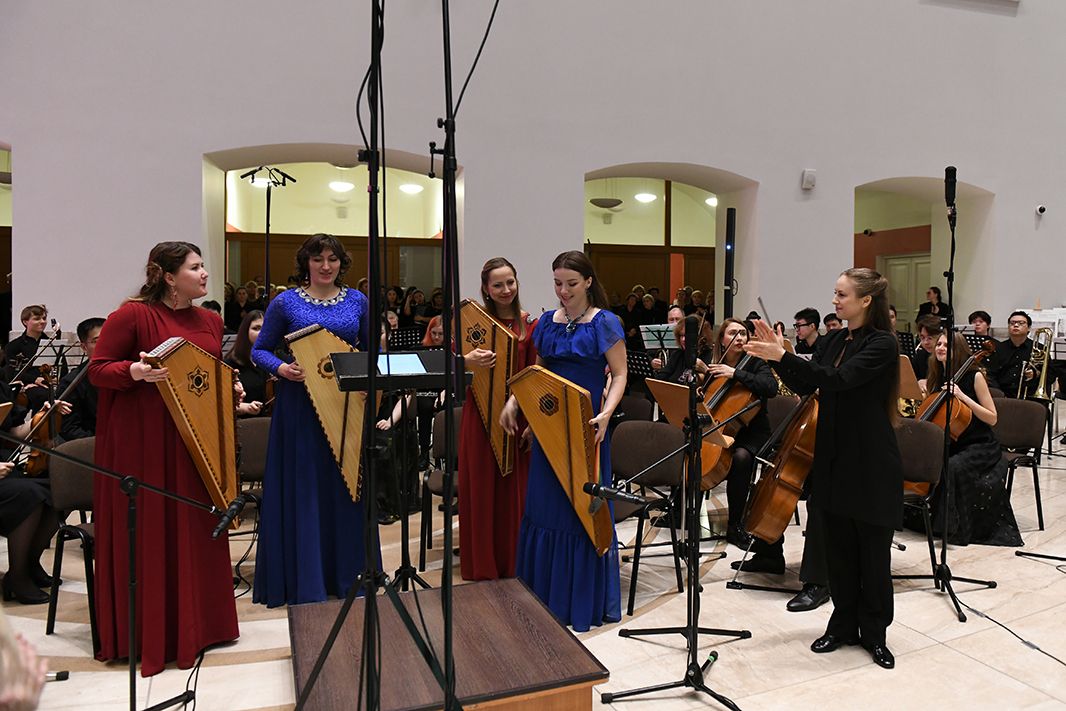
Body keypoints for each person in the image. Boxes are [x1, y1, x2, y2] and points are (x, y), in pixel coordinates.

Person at [89, 241, 239, 675]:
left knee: (195, 526)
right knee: (154, 529)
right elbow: (98, 369)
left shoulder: (211, 320)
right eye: (195, 267)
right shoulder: (132, 315)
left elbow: (204, 374)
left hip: (195, 442)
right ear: (169, 277)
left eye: (203, 266)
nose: (205, 273)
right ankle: (154, 632)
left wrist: (229, 387)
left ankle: (202, 626)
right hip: (145, 442)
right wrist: (133, 372)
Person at [745, 267, 901, 670]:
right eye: (835, 293)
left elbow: (839, 379)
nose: (834, 300)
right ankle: (843, 626)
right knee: (840, 552)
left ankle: (875, 634)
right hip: (833, 457)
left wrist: (783, 356)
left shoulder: (882, 344)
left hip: (870, 461)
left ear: (866, 300)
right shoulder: (833, 340)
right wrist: (779, 358)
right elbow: (808, 384)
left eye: (842, 294)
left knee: (872, 557)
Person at [501, 250, 626, 631]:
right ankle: (543, 595)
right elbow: (538, 371)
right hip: (550, 427)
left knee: (581, 510)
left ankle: (579, 601)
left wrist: (607, 413)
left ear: (588, 281)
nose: (563, 291)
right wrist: (515, 402)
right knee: (545, 509)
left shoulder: (605, 322)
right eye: (558, 283)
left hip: (588, 426)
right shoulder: (547, 322)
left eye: (571, 284)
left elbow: (620, 374)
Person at [250, 234, 373, 608]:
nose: (325, 266)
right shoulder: (285, 302)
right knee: (305, 487)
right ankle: (307, 579)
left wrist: (368, 383)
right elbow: (259, 350)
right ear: (306, 262)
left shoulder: (358, 300)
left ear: (341, 263)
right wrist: (281, 368)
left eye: (332, 259)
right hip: (299, 406)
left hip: (345, 405)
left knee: (345, 487)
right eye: (318, 259)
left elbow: (372, 350)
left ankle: (347, 574)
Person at [458, 258, 539, 580]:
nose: (506, 290)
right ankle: (483, 565)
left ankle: (514, 563)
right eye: (498, 285)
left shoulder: (529, 326)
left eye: (510, 282)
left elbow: (534, 376)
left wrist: (531, 422)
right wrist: (466, 361)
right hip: (478, 419)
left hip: (517, 419)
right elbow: (449, 367)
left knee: (515, 493)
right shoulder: (472, 323)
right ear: (486, 289)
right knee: (481, 490)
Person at [921, 333, 1022, 547]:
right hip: (952, 441)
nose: (940, 348)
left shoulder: (974, 376)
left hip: (980, 444)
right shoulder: (937, 375)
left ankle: (952, 528)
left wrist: (962, 396)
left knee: (952, 466)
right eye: (939, 344)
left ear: (958, 350)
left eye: (946, 345)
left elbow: (992, 417)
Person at [703, 318, 778, 548]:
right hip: (722, 426)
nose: (739, 338)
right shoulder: (716, 364)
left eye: (743, 333)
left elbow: (770, 388)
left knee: (741, 458)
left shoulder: (756, 362)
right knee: (692, 446)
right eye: (733, 333)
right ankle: (681, 511)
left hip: (752, 432)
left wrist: (735, 373)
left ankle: (735, 525)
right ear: (722, 340)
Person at [57, 317, 105, 441]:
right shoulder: (71, 382)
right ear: (84, 347)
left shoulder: (126, 372)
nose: (105, 344)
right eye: (97, 341)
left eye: (109, 338)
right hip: (93, 443)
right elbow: (69, 429)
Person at [224, 310, 269, 417]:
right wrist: (246, 407)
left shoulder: (269, 359)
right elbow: (224, 403)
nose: (262, 333)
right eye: (256, 328)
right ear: (245, 331)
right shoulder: (230, 364)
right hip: (243, 422)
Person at [988, 311, 1037, 398]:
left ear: (1029, 328)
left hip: (1030, 396)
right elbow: (991, 374)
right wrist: (999, 393)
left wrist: (1036, 373)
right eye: (1012, 323)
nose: (1016, 325)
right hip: (1003, 396)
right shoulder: (998, 348)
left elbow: (1050, 374)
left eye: (1021, 323)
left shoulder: (1038, 348)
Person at [649, 306, 686, 371]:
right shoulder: (661, 335)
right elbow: (649, 354)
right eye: (671, 320)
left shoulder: (688, 336)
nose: (674, 323)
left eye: (677, 319)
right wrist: (652, 362)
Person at [912, 315, 941, 386]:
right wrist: (918, 381)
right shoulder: (920, 355)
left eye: (930, 338)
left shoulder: (944, 356)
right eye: (922, 337)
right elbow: (911, 377)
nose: (925, 342)